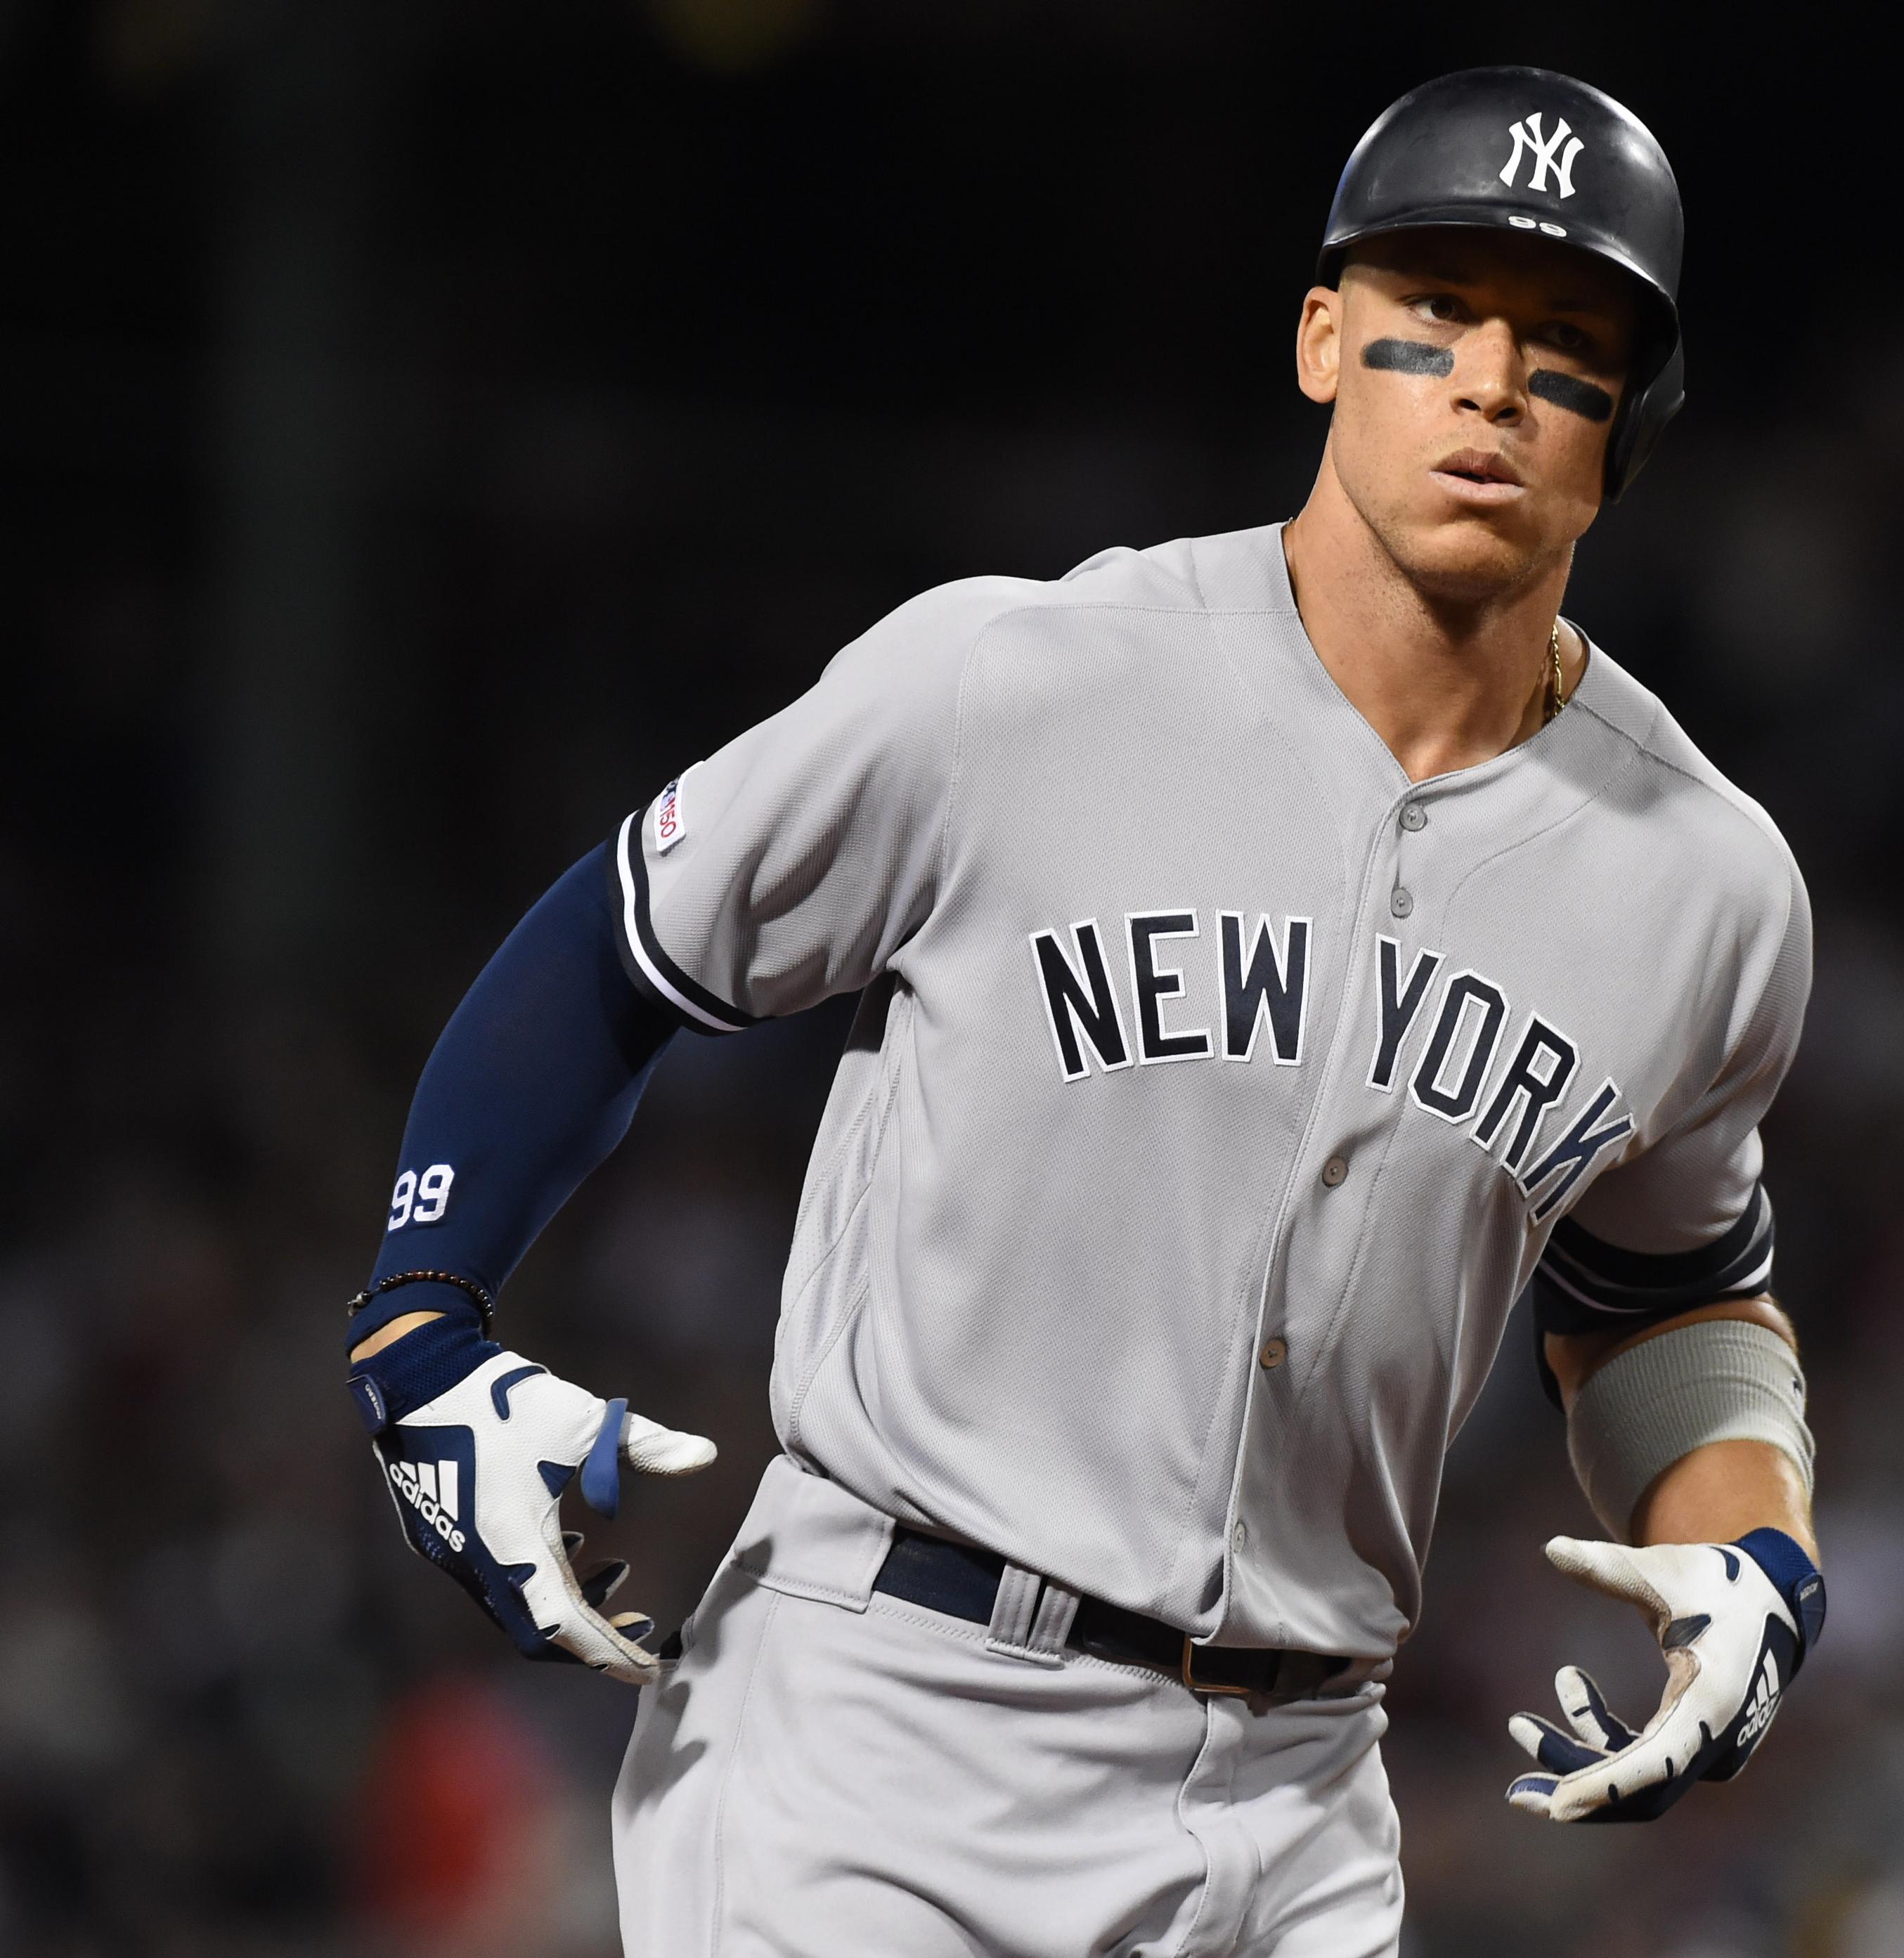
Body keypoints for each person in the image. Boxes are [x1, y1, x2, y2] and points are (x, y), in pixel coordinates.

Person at [342, 65, 1826, 1956]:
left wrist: (1753, 1535)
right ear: (1319, 339)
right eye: (1430, 316)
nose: (1486, 381)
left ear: (1635, 425)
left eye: (1563, 347)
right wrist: (419, 1307)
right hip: (886, 1733)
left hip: (1301, 1798)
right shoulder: (1019, 680)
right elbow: (630, 939)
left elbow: (1672, 1285)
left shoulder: (1705, 886)